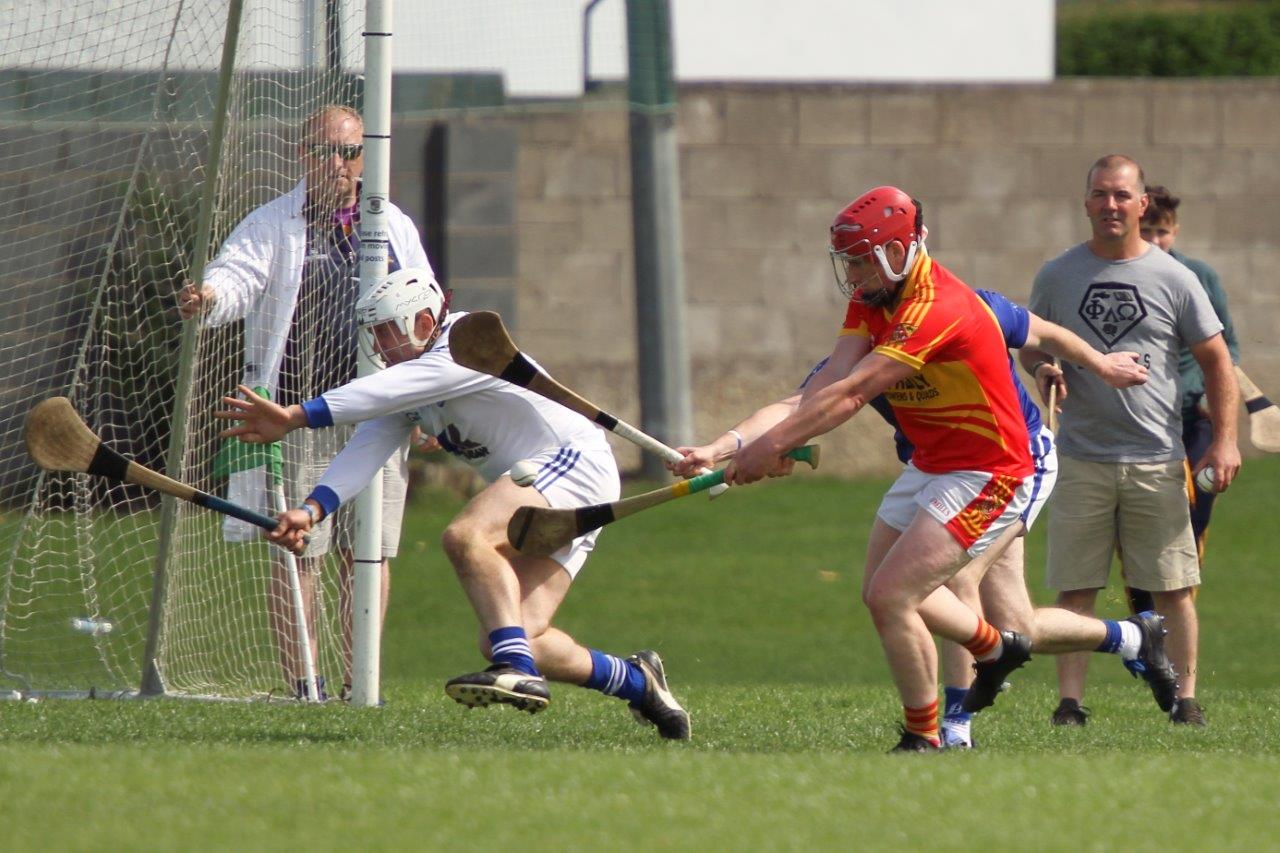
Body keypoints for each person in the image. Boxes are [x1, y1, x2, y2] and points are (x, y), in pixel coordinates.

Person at [693, 186, 1155, 751]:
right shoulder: (870, 299)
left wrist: (1102, 366)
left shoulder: (940, 306)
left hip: (994, 469)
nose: (853, 272)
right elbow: (819, 389)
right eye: (850, 260)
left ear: (897, 251)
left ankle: (934, 732)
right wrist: (724, 446)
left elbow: (852, 394)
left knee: (900, 592)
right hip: (933, 463)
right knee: (885, 595)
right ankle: (992, 654)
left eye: (862, 259)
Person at [214, 268, 690, 739]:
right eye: (373, 333)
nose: (377, 345)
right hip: (553, 482)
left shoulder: (464, 349)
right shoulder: (412, 382)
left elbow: (377, 394)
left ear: (423, 323)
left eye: (384, 331)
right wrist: (312, 510)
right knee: (512, 633)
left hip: (568, 462)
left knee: (466, 537)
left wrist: (297, 416)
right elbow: (368, 444)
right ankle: (636, 682)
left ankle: (518, 670)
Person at [178, 104, 431, 700]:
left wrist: (425, 403)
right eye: (325, 152)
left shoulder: (391, 224)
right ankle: (304, 684)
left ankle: (358, 682)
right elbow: (239, 273)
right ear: (303, 156)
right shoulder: (274, 222)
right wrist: (210, 296)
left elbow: (425, 310)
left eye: (349, 153)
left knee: (367, 553)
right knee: (301, 551)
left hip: (376, 413)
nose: (338, 166)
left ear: (364, 157)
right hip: (293, 416)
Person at [1020, 156, 1240, 728]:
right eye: (1099, 195)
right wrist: (1043, 368)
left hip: (1157, 458)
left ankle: (1185, 700)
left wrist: (1225, 442)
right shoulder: (1058, 275)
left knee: (1174, 589)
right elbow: (1030, 342)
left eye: (1122, 195)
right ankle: (1070, 703)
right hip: (1081, 457)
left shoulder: (1175, 277)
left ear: (1143, 204)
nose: (1110, 205)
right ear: (1086, 202)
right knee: (1075, 591)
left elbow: (1217, 360)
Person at [1122, 185, 1240, 617]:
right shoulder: (1122, 276)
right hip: (1142, 420)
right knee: (1140, 528)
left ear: (1175, 231)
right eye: (1148, 230)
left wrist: (1215, 401)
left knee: (1190, 520)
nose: (1155, 241)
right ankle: (1143, 620)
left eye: (1163, 232)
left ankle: (1174, 616)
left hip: (1195, 418)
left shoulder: (1198, 277)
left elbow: (1228, 349)